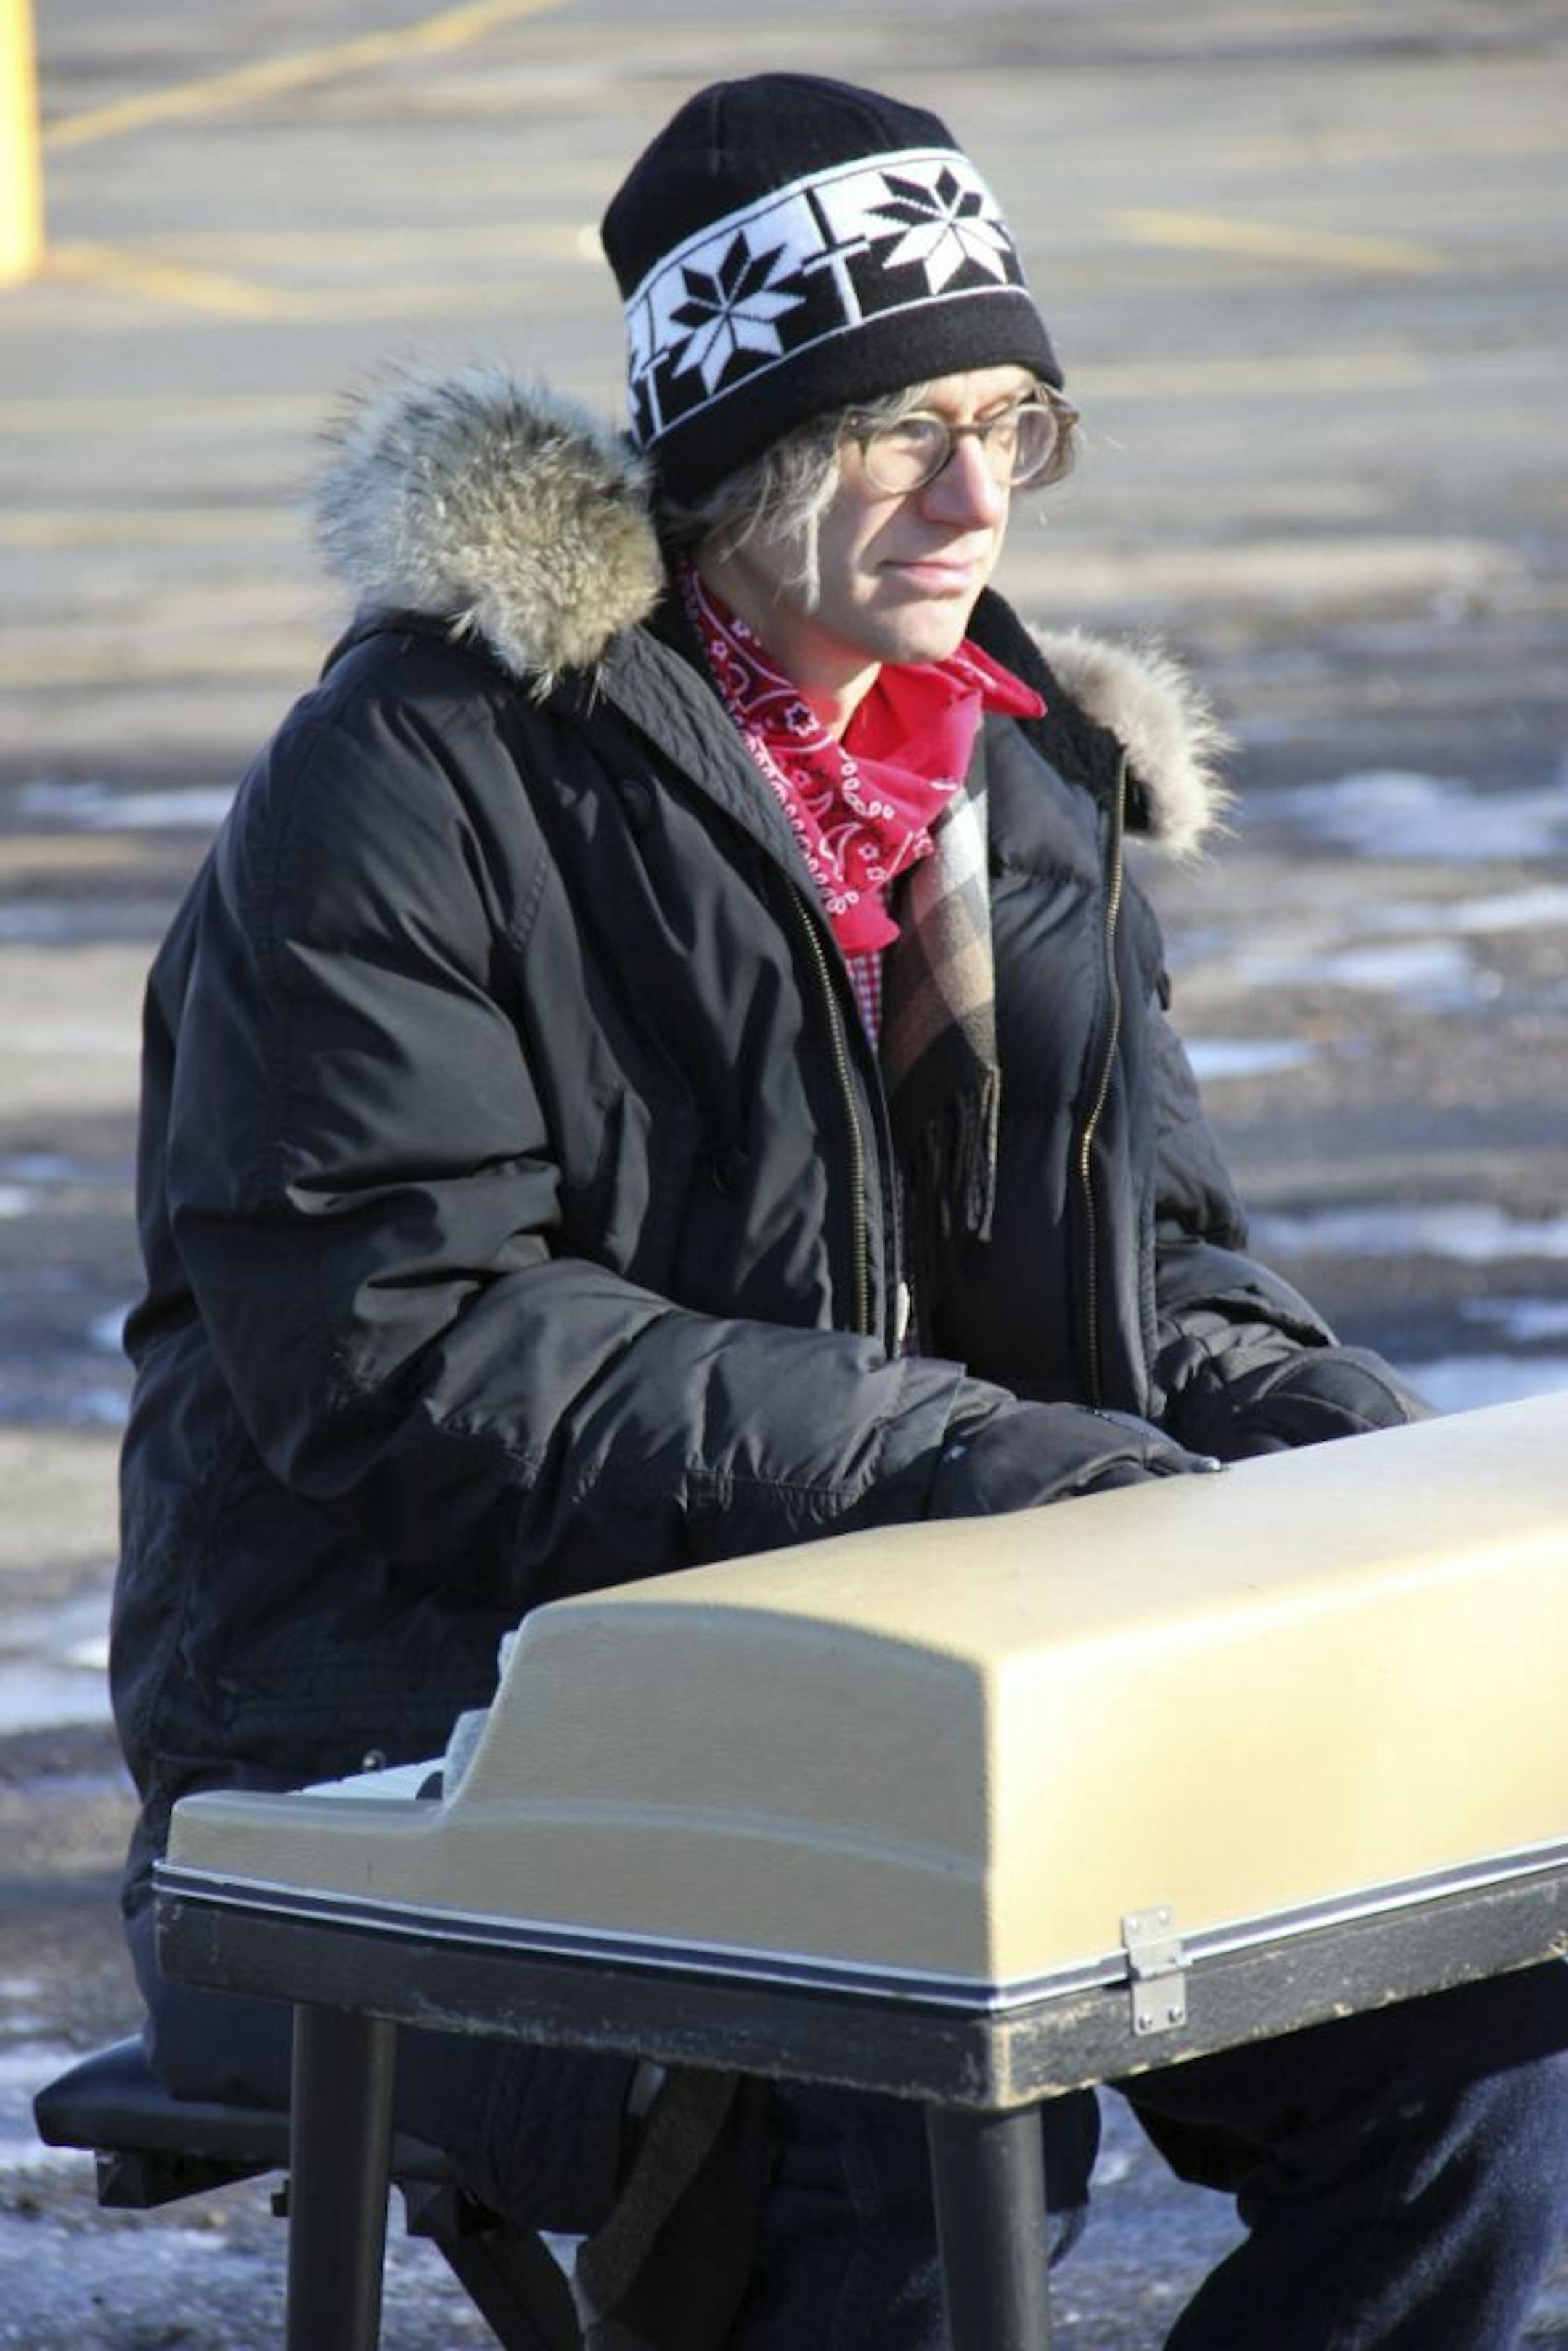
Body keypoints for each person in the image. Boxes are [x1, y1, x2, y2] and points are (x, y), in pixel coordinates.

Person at [110, 70, 1567, 2351]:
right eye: (900, 426)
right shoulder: (416, 781)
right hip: (411, 1735)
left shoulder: (1022, 778)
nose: (976, 496)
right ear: (735, 449)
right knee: (912, 2103)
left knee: (1487, 2054)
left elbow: (1152, 1274)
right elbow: (406, 1353)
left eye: (1016, 420)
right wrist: (955, 1459)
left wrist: (1324, 1453)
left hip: (937, 1684)